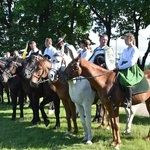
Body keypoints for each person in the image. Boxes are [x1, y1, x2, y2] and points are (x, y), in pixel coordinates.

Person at [89, 34, 115, 123]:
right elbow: (91, 60)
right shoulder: (96, 49)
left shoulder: (109, 49)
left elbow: (111, 61)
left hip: (105, 70)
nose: (104, 41)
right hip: (96, 71)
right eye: (103, 39)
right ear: (99, 40)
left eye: (106, 39)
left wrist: (104, 65)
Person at [114, 33, 144, 108]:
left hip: (131, 69)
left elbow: (131, 62)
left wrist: (120, 67)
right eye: (124, 40)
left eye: (126, 39)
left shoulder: (135, 49)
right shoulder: (124, 50)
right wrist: (118, 66)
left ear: (131, 40)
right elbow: (121, 60)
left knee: (126, 80)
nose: (125, 41)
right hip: (122, 67)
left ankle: (129, 100)